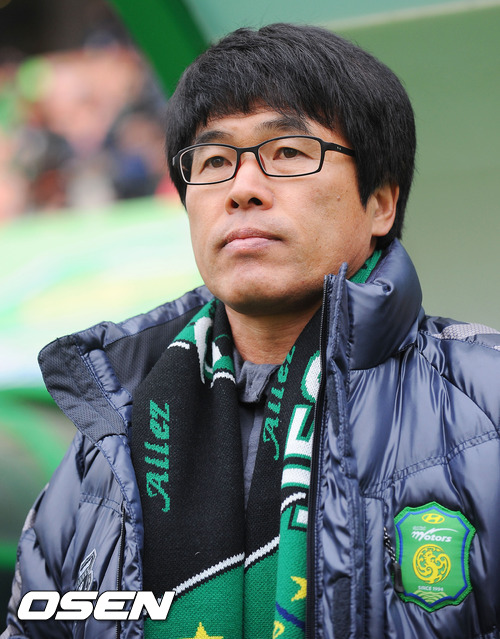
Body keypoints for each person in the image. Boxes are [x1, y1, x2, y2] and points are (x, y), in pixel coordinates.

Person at [3, 22, 500, 639]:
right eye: (214, 161)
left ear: (380, 203)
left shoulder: (485, 403)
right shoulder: (106, 443)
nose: (241, 189)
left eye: (287, 152)